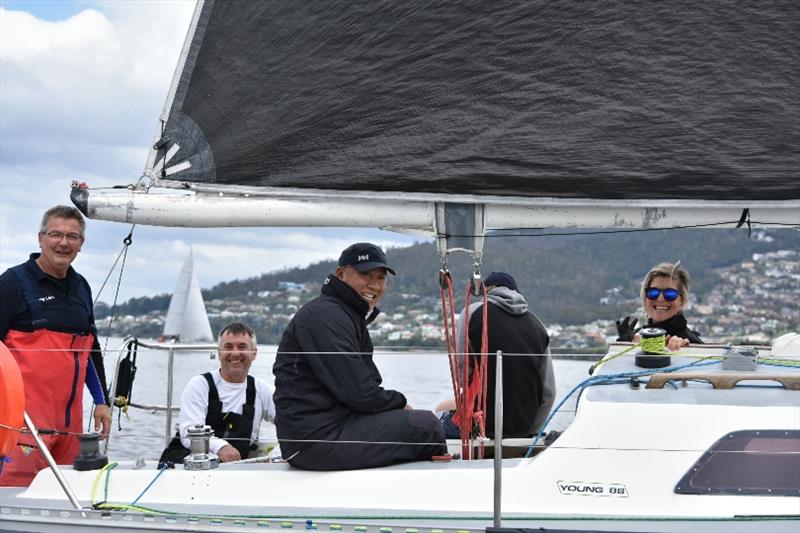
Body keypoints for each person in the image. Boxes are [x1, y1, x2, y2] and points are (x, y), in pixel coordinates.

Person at [273, 242, 447, 470]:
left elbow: (362, 388)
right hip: (315, 439)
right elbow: (358, 392)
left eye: (381, 278)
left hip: (320, 430)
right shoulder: (327, 316)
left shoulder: (340, 312)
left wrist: (392, 405)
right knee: (427, 426)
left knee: (417, 424)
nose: (374, 285)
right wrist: (400, 402)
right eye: (366, 275)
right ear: (341, 274)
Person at [0, 206, 111, 486]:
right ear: (41, 238)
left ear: (81, 244)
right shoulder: (11, 284)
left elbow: (90, 350)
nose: (63, 243)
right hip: (20, 426)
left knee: (66, 496)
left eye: (72, 236)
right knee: (15, 497)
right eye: (56, 234)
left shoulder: (82, 287)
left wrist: (101, 401)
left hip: (69, 428)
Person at [436, 272, 556, 440]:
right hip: (523, 428)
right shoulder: (538, 325)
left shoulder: (473, 312)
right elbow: (548, 392)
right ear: (516, 293)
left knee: (438, 413)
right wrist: (530, 432)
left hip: (480, 425)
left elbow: (461, 373)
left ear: (486, 290)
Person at [159, 322, 276, 465]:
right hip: (191, 466)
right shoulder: (199, 384)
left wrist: (279, 454)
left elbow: (289, 421)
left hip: (236, 469)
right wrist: (221, 447)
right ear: (219, 353)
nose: (235, 353)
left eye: (242, 347)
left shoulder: (262, 390)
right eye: (228, 347)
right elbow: (188, 432)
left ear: (254, 354)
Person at [616, 261, 703, 351]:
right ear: (645, 298)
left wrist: (689, 349)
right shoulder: (639, 338)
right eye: (653, 293)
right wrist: (624, 345)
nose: (660, 298)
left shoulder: (690, 343)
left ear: (681, 300)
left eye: (670, 294)